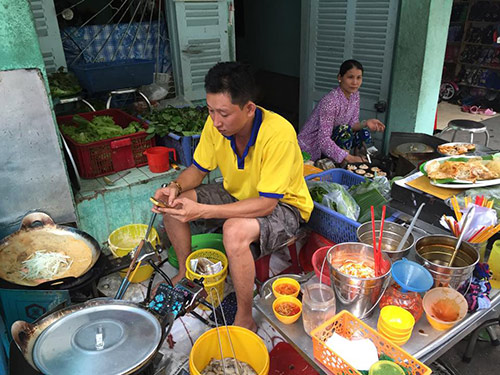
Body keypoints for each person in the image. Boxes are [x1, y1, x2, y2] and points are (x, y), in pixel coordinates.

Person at [152, 62, 313, 331]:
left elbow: (266, 204)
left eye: (224, 114)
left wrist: (203, 211)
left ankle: (245, 314)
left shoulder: (278, 134)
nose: (216, 121)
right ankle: (184, 272)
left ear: (249, 108)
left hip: (284, 207)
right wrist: (175, 188)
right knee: (172, 205)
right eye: (211, 110)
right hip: (236, 193)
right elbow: (196, 170)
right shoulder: (215, 126)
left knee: (233, 231)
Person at [298, 59, 385, 164]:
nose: (355, 82)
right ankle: (344, 164)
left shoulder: (355, 95)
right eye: (350, 77)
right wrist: (349, 158)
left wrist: (366, 123)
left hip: (334, 139)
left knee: (363, 132)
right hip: (312, 145)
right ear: (340, 78)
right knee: (345, 132)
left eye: (359, 78)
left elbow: (353, 124)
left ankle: (363, 162)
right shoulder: (330, 101)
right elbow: (323, 140)